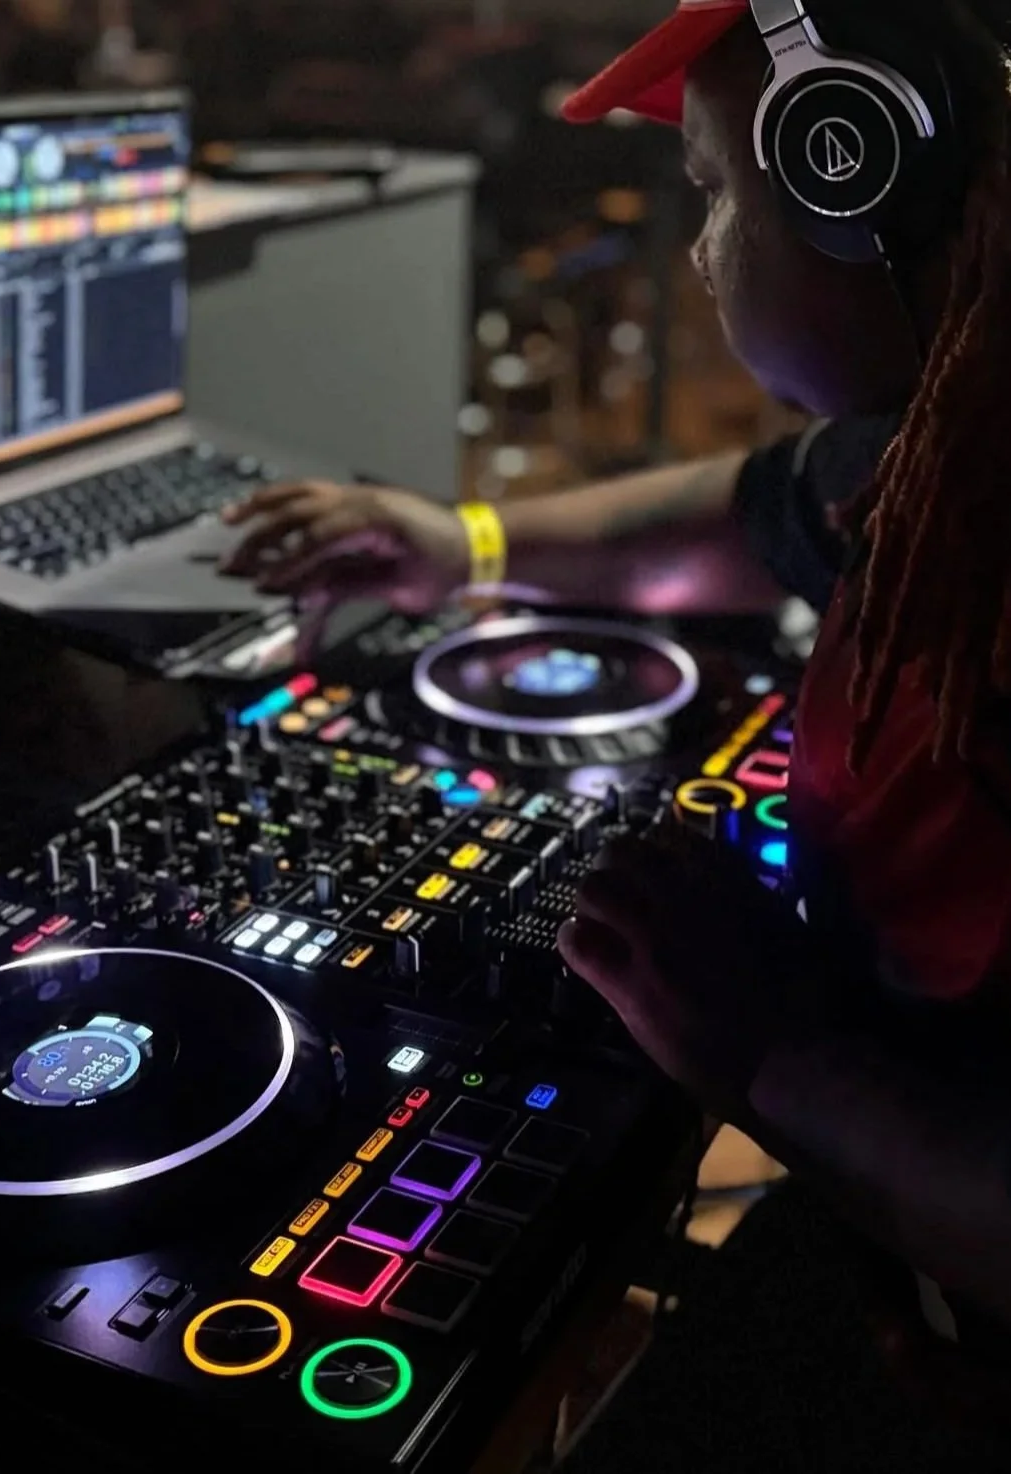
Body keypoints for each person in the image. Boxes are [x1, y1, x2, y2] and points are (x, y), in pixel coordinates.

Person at [222, 0, 1011, 1465]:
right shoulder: (943, 444)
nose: (702, 250)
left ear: (853, 183)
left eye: (714, 192)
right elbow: (745, 515)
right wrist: (455, 541)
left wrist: (766, 1044)